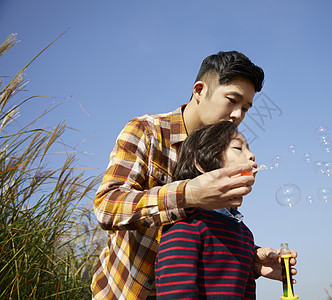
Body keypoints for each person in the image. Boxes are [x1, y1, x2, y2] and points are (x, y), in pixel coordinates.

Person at [91, 51, 297, 299]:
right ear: (199, 91)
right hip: (128, 292)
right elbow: (107, 206)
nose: (237, 116)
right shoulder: (146, 131)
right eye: (232, 100)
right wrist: (188, 195)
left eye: (245, 108)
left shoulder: (221, 153)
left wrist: (251, 257)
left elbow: (208, 231)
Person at [156, 121, 258, 299]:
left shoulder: (245, 235)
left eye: (248, 148)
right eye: (238, 148)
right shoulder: (186, 225)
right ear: (203, 163)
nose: (251, 155)